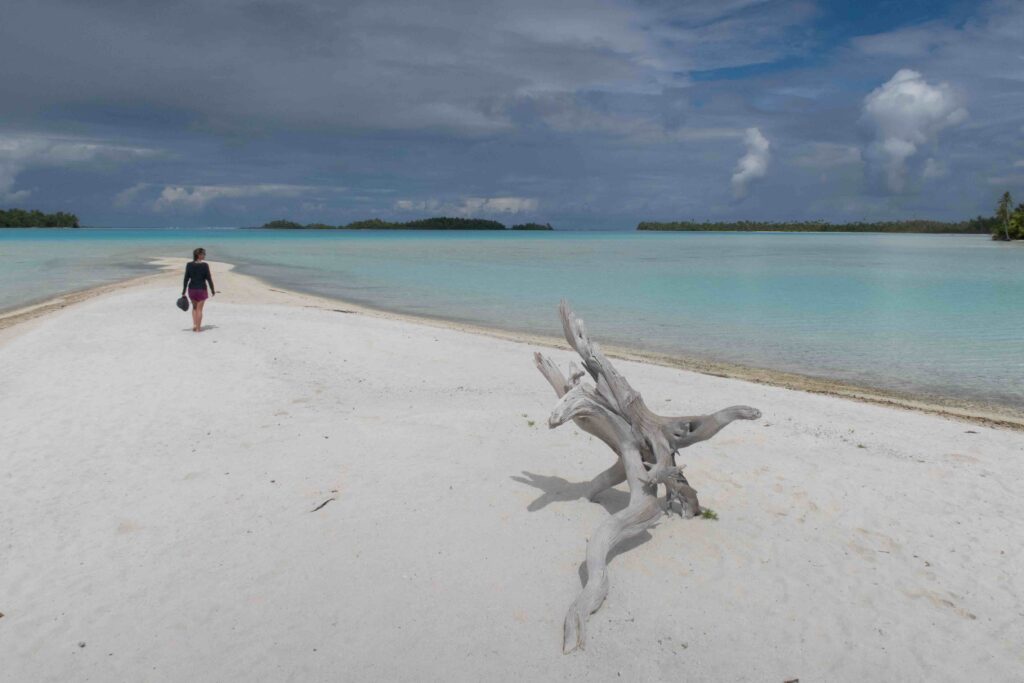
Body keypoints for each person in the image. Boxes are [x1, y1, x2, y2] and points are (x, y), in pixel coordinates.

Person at [182, 248, 216, 332]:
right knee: (199, 309)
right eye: (203, 254)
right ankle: (198, 328)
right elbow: (209, 278)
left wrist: (183, 291)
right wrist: (212, 289)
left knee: (194, 308)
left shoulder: (189, 264)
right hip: (201, 290)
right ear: (199, 255)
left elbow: (186, 278)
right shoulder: (205, 265)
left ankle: (194, 324)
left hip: (192, 290)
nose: (204, 255)